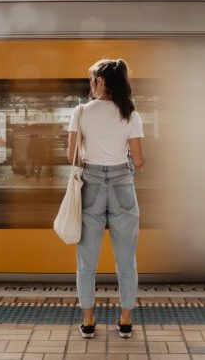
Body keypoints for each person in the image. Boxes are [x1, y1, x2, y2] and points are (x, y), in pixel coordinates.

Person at [67, 58, 145, 339]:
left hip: (91, 185)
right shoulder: (131, 114)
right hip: (123, 184)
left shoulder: (80, 112)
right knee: (126, 260)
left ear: (100, 81)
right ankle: (125, 321)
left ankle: (88, 321)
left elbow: (70, 155)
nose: (91, 84)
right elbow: (139, 160)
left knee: (86, 260)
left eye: (93, 79)